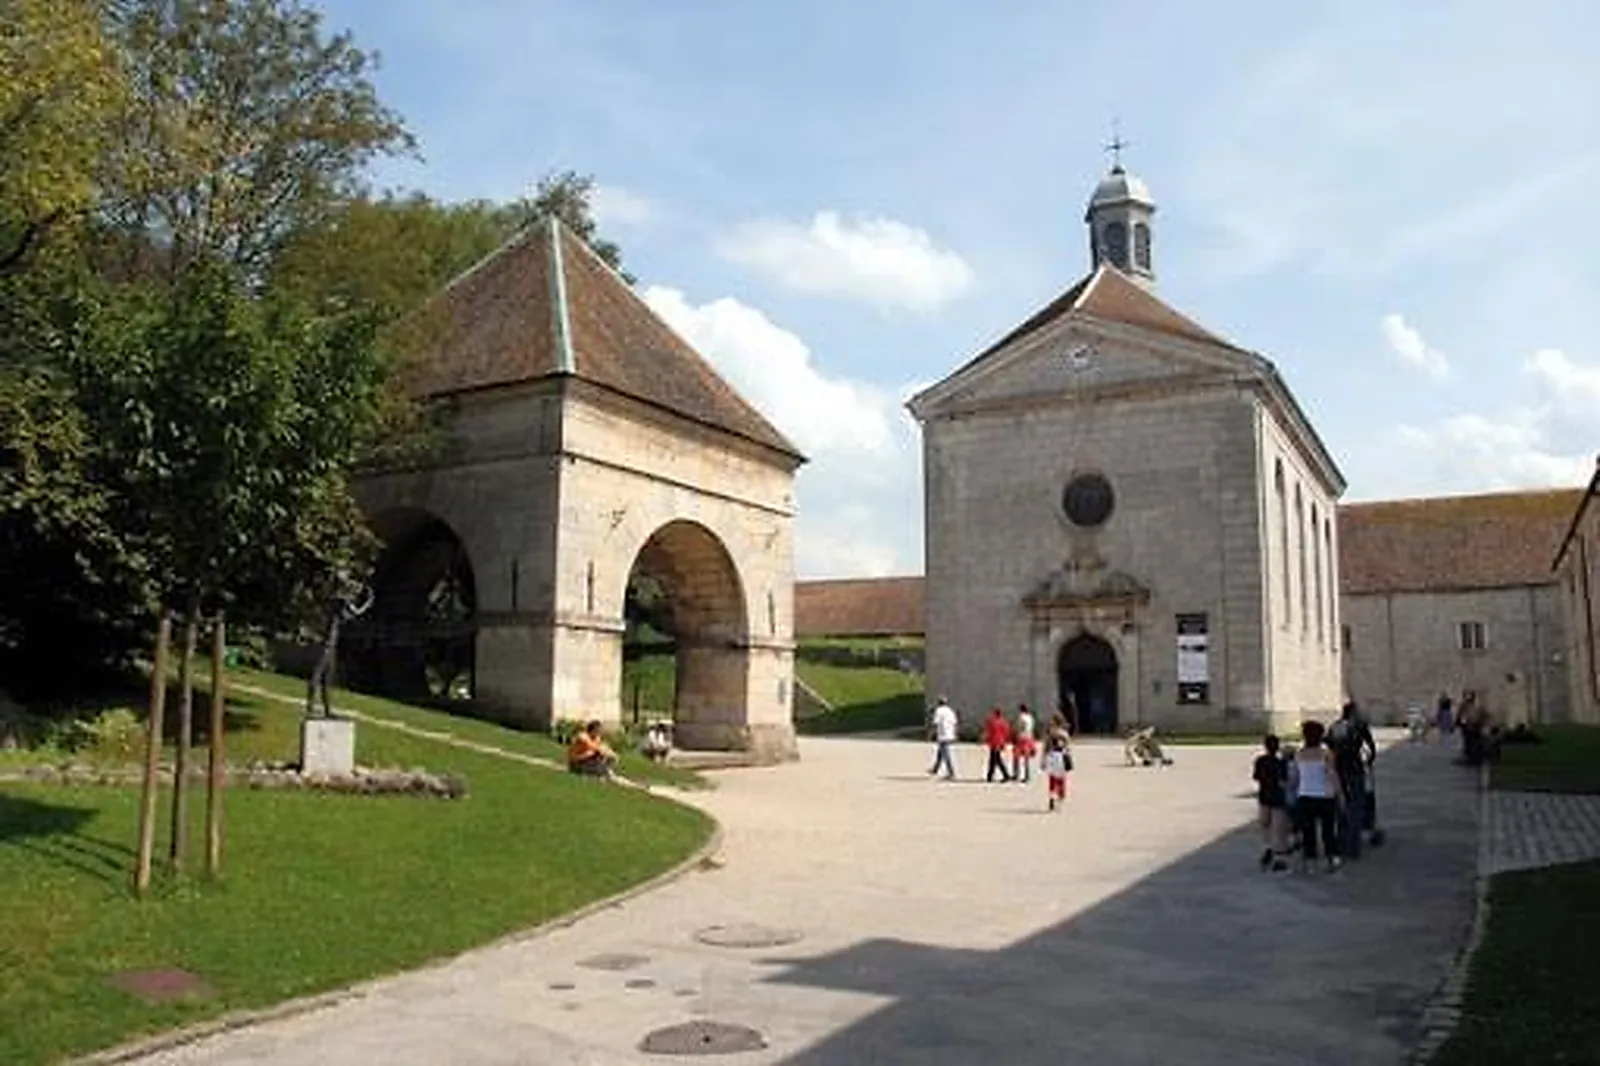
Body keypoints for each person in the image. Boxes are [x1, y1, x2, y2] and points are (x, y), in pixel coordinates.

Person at [1289, 720, 1343, 873]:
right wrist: (1340, 793)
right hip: (1325, 796)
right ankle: (1331, 859)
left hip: (1305, 796)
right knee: (1328, 830)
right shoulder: (1326, 753)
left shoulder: (1299, 754)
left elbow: (1295, 776)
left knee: (1309, 832)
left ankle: (1310, 862)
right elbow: (1332, 775)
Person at [1329, 700, 1377, 858]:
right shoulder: (1359, 726)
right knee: (1356, 806)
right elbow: (1370, 746)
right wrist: (1370, 760)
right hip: (1355, 767)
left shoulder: (1335, 726)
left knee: (1341, 804)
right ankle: (1353, 845)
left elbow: (1328, 744)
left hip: (1338, 768)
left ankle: (1341, 840)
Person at [1253, 735, 1290, 872]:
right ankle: (1279, 857)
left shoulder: (1260, 761)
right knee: (1278, 828)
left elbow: (1256, 777)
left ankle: (1268, 847)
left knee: (1265, 824)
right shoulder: (1280, 763)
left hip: (1264, 796)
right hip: (1278, 797)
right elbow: (1283, 781)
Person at [1043, 714, 1074, 812]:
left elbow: (1045, 748)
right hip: (1061, 756)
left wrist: (1043, 760)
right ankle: (1059, 799)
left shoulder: (1050, 733)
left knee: (1052, 779)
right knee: (1061, 780)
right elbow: (1068, 747)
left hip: (1051, 756)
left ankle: (1052, 795)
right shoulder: (1064, 734)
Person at [927, 697, 959, 780]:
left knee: (945, 754)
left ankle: (951, 773)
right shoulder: (950, 711)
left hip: (942, 734)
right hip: (950, 734)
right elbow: (955, 723)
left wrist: (931, 734)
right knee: (940, 753)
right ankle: (935, 769)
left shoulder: (939, 711)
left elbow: (935, 723)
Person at [982, 707, 1013, 783]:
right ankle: (991, 776)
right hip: (1000, 742)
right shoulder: (1004, 723)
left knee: (996, 760)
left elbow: (989, 732)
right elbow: (1007, 733)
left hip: (994, 742)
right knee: (994, 759)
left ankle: (1004, 775)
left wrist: (986, 739)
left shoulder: (992, 722)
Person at [1011, 704, 1037, 784]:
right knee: (1026, 758)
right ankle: (1027, 775)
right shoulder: (1031, 718)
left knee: (1016, 757)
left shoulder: (1021, 717)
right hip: (1029, 737)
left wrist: (1014, 735)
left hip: (1021, 738)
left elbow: (1018, 727)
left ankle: (1016, 774)